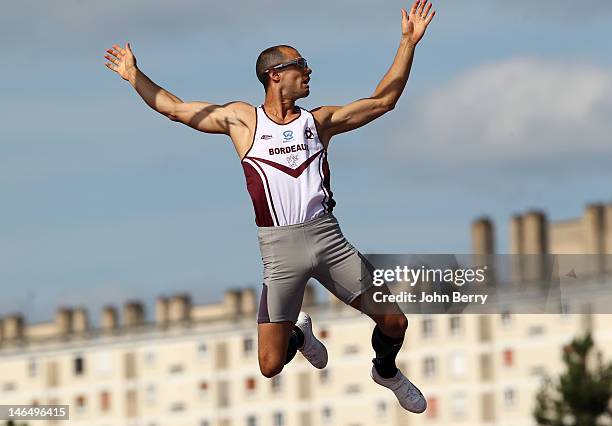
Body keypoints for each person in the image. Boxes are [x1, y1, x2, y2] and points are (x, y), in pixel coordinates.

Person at [104, 0, 435, 413]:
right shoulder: (243, 122)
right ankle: (300, 336)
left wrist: (408, 43)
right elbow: (176, 109)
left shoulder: (319, 122)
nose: (309, 71)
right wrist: (134, 75)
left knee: (394, 322)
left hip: (328, 240)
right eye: (302, 65)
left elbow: (382, 101)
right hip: (280, 252)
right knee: (269, 365)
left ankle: (385, 371)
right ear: (275, 74)